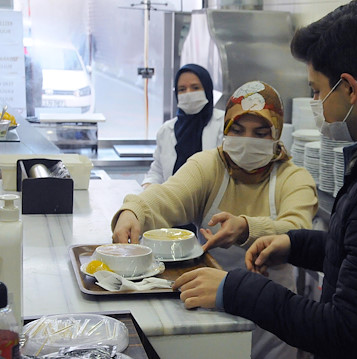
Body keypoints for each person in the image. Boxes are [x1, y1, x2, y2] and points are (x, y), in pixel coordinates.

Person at [172, 2, 357, 359]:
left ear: (350, 89)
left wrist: (234, 289)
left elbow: (343, 331)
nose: (315, 104)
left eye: (317, 90)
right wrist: (294, 244)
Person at [111, 80, 318, 359]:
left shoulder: (293, 178)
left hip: (272, 321)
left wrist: (246, 228)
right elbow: (169, 195)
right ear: (226, 129)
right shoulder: (209, 166)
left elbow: (298, 230)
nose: (248, 140)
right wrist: (133, 210)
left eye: (260, 132)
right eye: (238, 130)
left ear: (277, 134)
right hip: (209, 309)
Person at [142, 64, 224, 188]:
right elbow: (157, 171)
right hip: (173, 202)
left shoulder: (224, 124)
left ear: (207, 89)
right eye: (182, 89)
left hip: (210, 203)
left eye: (195, 87)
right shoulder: (166, 130)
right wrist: (148, 187)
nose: (188, 93)